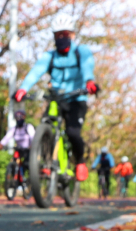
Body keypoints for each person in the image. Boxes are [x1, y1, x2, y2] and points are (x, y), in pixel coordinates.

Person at [13, 20, 98, 182]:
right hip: (56, 99)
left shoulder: (82, 52)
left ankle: (80, 162)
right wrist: (23, 89)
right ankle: (47, 159)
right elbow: (36, 72)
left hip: (76, 98)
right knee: (45, 125)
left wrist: (89, 82)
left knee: (73, 133)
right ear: (54, 37)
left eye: (65, 34)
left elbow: (88, 67)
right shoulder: (49, 57)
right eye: (58, 35)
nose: (62, 37)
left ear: (72, 35)